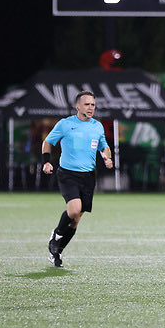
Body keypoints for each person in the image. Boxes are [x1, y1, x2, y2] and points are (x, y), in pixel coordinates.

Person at [42, 90, 113, 267]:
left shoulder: (97, 126)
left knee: (75, 221)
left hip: (88, 176)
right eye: (87, 104)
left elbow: (104, 146)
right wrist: (46, 162)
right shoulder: (65, 124)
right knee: (74, 210)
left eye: (93, 105)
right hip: (68, 174)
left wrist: (107, 157)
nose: (90, 108)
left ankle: (57, 253)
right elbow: (47, 142)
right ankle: (56, 234)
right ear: (77, 106)